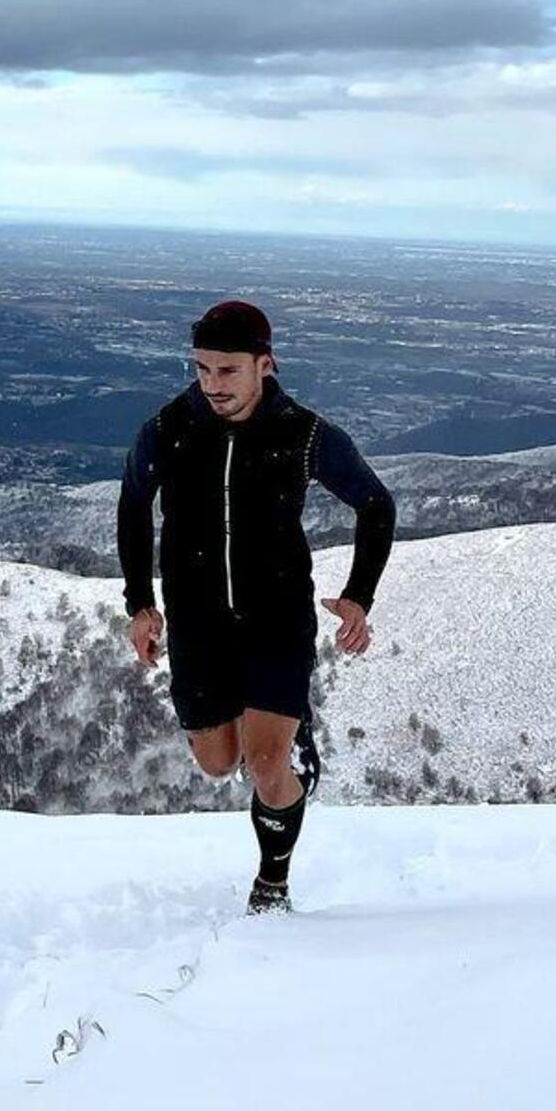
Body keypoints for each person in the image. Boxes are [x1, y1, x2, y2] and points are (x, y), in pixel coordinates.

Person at [116, 299, 397, 912]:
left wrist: (358, 597)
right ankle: (269, 739)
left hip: (277, 619)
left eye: (227, 371)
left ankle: (273, 880)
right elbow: (134, 503)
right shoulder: (168, 429)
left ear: (264, 366)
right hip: (197, 623)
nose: (212, 385)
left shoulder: (303, 434)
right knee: (219, 764)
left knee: (267, 766)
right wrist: (141, 604)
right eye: (201, 370)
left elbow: (376, 504)